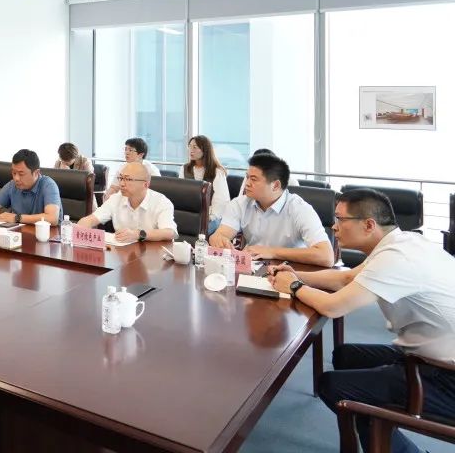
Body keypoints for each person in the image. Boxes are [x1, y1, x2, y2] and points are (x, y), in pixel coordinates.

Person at [267, 188, 455, 453]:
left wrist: (295, 286)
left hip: (445, 377)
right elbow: (345, 278)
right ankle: (377, 427)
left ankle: (386, 439)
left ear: (369, 225)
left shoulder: (396, 259)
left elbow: (333, 307)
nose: (334, 226)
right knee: (346, 357)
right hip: (425, 357)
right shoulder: (403, 243)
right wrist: (296, 275)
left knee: (333, 386)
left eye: (340, 219)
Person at [210, 153, 334, 266]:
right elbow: (220, 235)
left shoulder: (300, 209)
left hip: (291, 272)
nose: (247, 183)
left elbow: (326, 256)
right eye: (247, 177)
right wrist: (219, 240)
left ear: (275, 185)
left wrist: (271, 252)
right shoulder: (240, 204)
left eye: (253, 179)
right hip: (252, 270)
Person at [77, 162, 176, 242]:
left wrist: (138, 234)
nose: (121, 184)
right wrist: (81, 226)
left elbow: (169, 232)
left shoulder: (161, 202)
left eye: (128, 179)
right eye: (121, 178)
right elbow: (91, 219)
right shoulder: (116, 198)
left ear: (145, 184)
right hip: (123, 254)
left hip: (153, 255)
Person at [0, 149, 61, 225]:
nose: (16, 178)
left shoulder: (48, 185)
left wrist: (16, 218)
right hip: (18, 236)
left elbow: (52, 218)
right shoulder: (12, 185)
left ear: (36, 173)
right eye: (14, 173)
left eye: (21, 174)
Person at [181, 135, 230, 233]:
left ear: (205, 150)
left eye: (195, 147)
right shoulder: (185, 168)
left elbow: (221, 200)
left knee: (198, 232)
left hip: (211, 216)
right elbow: (181, 193)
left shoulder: (217, 171)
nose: (191, 150)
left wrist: (211, 217)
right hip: (190, 214)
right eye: (189, 146)